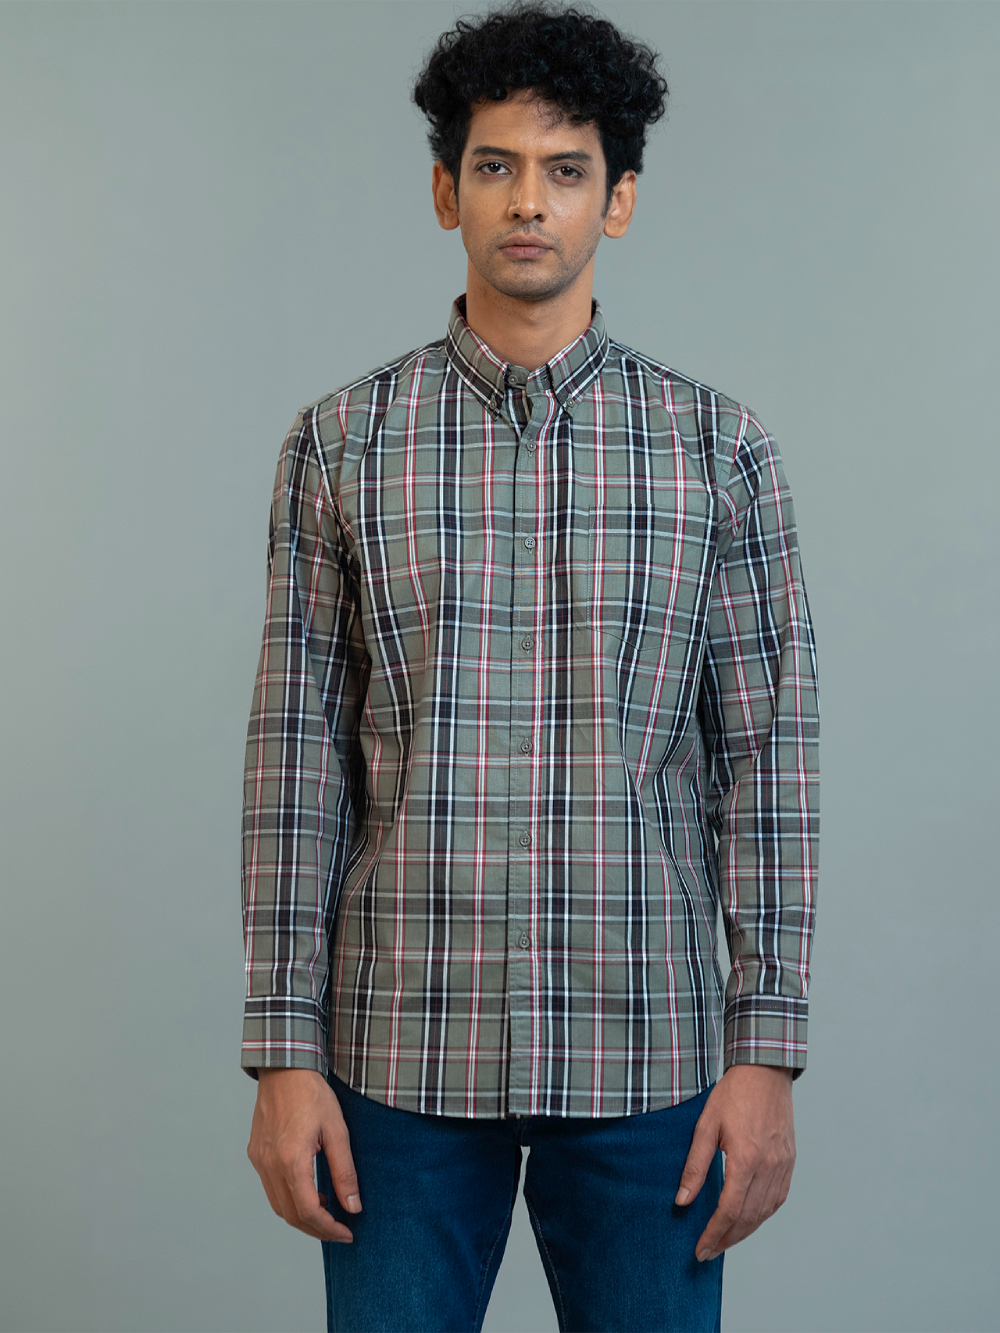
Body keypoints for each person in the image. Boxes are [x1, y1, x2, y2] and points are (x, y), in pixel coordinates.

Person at [240, 5, 819, 1330]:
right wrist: (281, 1051)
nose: (528, 201)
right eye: (495, 165)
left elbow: (767, 760)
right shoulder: (341, 443)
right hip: (395, 1056)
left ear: (619, 201)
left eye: (567, 171)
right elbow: (296, 760)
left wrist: (767, 1055)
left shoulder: (718, 450)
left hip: (647, 1053)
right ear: (447, 190)